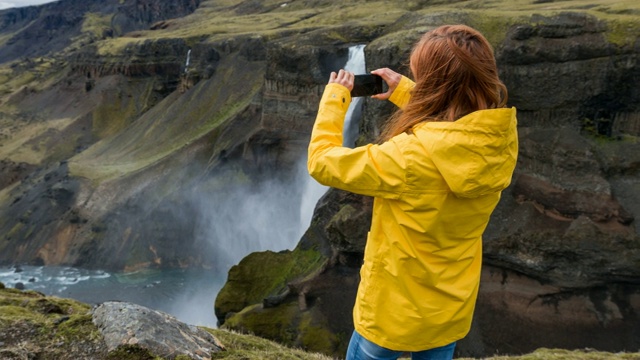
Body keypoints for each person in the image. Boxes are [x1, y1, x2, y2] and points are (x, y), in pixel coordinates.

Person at [307, 24, 518, 360]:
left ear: (434, 85)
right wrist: (405, 91)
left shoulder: (408, 157)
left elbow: (321, 162)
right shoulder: (500, 139)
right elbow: (454, 126)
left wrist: (335, 100)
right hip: (448, 309)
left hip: (391, 310)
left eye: (421, 76)